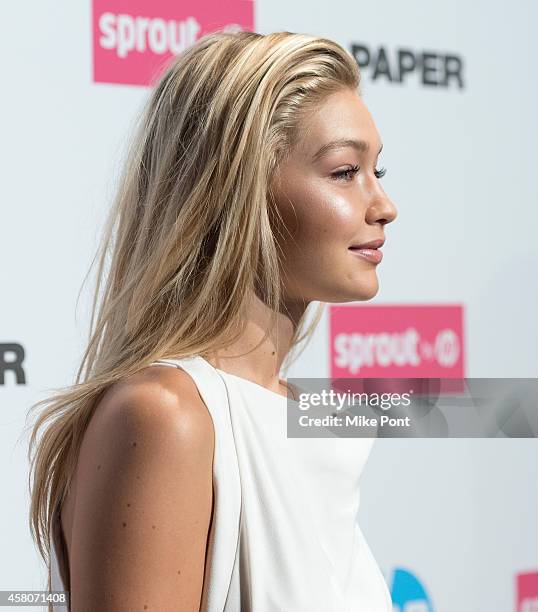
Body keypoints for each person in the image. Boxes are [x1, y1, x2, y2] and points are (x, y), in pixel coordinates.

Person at [27, 29, 397, 611]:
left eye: (380, 171)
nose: (383, 206)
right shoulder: (166, 415)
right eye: (346, 172)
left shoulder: (300, 420)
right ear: (240, 189)